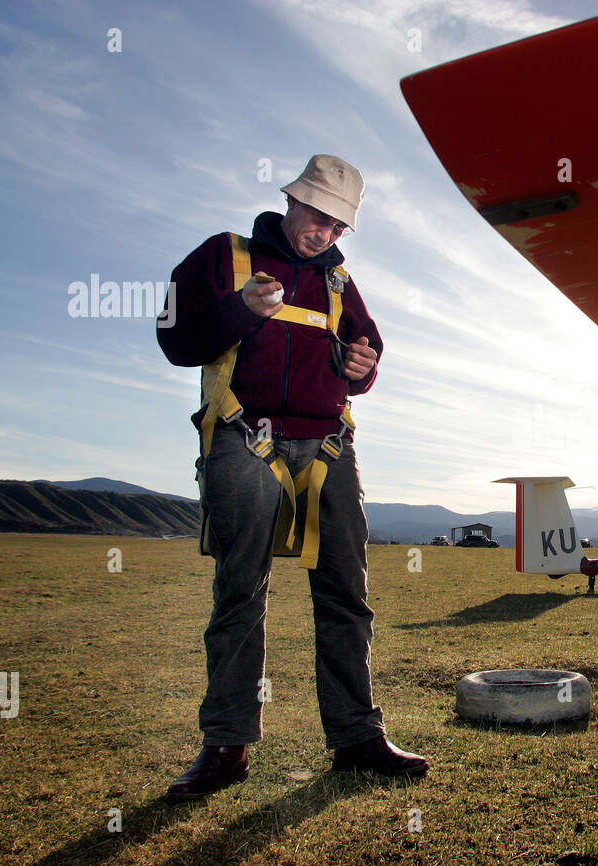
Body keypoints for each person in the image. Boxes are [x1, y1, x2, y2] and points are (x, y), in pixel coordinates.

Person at [156, 154, 427, 802]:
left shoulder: (340, 283)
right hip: (245, 437)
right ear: (291, 201)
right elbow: (174, 340)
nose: (325, 234)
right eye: (318, 217)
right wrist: (241, 313)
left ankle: (358, 738)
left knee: (346, 595)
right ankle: (226, 749)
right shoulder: (225, 258)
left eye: (338, 227)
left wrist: (362, 369)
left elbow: (366, 354)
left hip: (329, 446)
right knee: (240, 595)